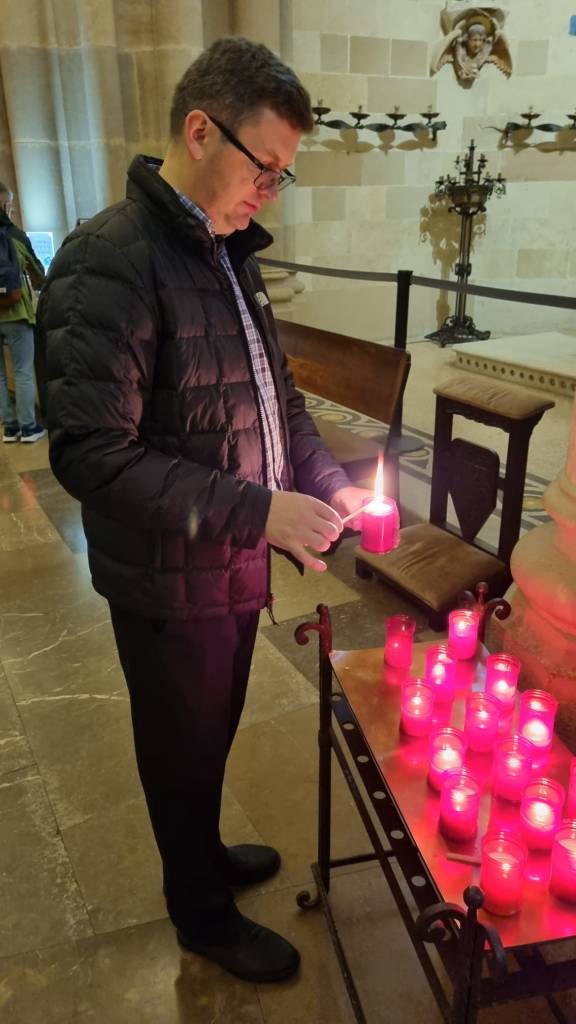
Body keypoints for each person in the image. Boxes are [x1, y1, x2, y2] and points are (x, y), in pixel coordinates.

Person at [37, 37, 370, 983]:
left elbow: (274, 398)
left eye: (282, 176)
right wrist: (261, 512)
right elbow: (92, 454)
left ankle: (205, 854)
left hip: (221, 562)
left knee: (211, 729)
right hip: (165, 574)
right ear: (198, 131)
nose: (271, 193)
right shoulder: (109, 258)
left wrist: (327, 482)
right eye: (265, 168)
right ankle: (201, 915)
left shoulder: (225, 252)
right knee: (178, 745)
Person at [0, 183, 46, 442]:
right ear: (6, 205)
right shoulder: (16, 236)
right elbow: (38, 275)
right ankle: (28, 427)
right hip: (16, 313)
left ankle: (9, 428)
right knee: (23, 370)